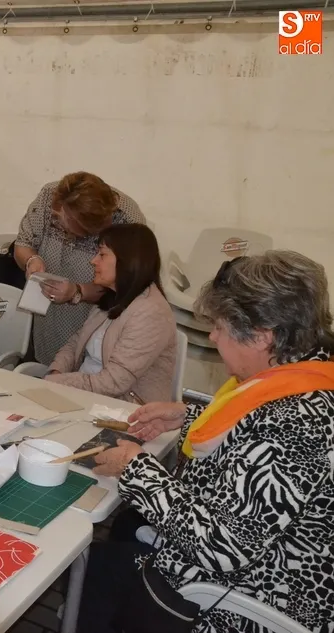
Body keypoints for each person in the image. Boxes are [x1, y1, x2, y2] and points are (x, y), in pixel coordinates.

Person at [78, 250, 334, 633]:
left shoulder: (296, 423)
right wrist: (189, 417)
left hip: (253, 596)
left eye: (220, 328)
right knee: (123, 531)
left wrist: (135, 470)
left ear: (262, 336)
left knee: (95, 569)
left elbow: (223, 547)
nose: (212, 336)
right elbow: (249, 441)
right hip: (256, 560)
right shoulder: (307, 373)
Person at [11, 172, 145, 365]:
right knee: (46, 369)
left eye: (70, 228)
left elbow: (125, 286)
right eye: (59, 220)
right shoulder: (49, 195)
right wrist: (31, 260)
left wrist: (77, 292)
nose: (64, 230)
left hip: (95, 332)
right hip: (45, 327)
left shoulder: (128, 221)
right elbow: (23, 244)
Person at [44, 224, 176, 403]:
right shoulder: (113, 296)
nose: (93, 261)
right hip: (85, 396)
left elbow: (114, 382)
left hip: (124, 408)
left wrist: (57, 383)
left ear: (126, 260)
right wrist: (56, 371)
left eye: (102, 254)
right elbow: (75, 343)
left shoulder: (151, 312)